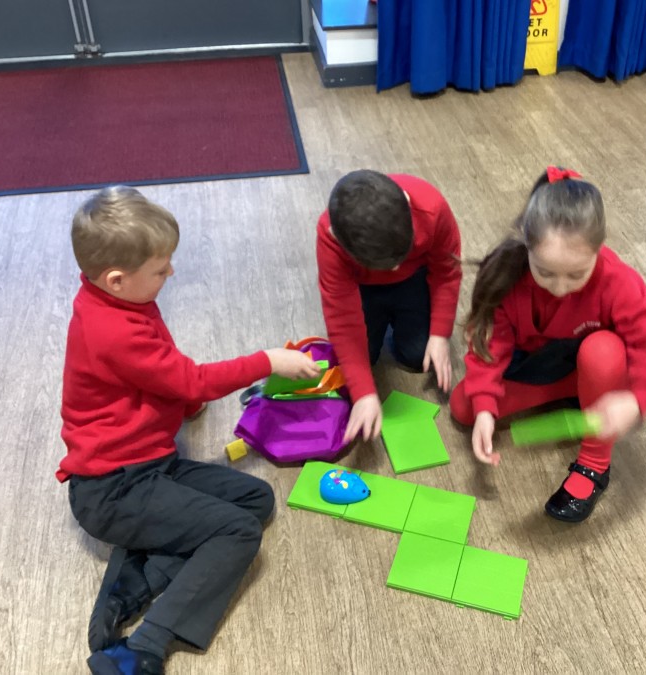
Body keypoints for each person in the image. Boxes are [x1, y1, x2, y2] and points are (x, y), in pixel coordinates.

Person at [58, 186, 320, 674]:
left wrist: (187, 400)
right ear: (116, 279)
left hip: (149, 465)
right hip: (113, 490)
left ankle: (132, 583)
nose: (171, 274)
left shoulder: (118, 301)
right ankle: (144, 647)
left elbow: (161, 367)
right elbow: (189, 376)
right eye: (160, 270)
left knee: (256, 500)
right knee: (238, 531)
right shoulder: (113, 329)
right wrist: (266, 361)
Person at [451, 166, 646, 522]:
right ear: (527, 245)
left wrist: (636, 400)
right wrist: (485, 406)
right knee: (465, 407)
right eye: (544, 271)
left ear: (598, 250)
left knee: (603, 351)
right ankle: (581, 392)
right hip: (539, 363)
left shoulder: (616, 281)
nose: (560, 288)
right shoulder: (505, 273)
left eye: (577, 274)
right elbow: (489, 345)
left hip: (592, 359)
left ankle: (594, 463)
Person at [316, 170, 462, 444]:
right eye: (387, 264)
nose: (395, 268)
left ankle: (395, 319)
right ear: (336, 237)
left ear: (407, 203)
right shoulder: (330, 236)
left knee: (418, 356)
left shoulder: (432, 208)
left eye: (401, 255)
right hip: (361, 288)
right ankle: (381, 319)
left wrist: (440, 334)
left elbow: (447, 273)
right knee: (358, 363)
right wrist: (363, 392)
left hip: (415, 278)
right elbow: (341, 320)